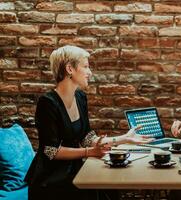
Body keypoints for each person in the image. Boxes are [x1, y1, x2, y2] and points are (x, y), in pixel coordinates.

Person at [25, 45, 153, 200]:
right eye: (85, 66)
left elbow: (86, 138)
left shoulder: (80, 97)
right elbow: (51, 151)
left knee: (110, 187)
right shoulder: (48, 103)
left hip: (74, 168)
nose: (90, 72)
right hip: (51, 178)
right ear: (70, 69)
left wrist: (123, 138)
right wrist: (89, 152)